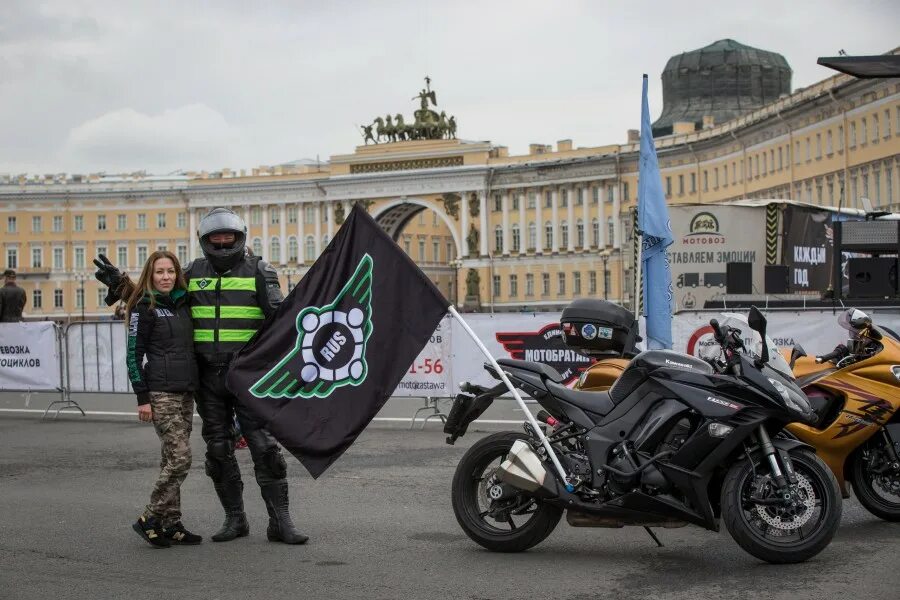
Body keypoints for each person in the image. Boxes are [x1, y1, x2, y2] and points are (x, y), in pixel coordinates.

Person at [95, 207, 307, 544]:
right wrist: (123, 286)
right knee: (218, 450)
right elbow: (157, 299)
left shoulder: (261, 271)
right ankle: (235, 520)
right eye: (215, 239)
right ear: (204, 241)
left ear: (241, 238)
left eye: (229, 238)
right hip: (208, 377)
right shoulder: (191, 273)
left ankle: (281, 522)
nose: (223, 243)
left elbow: (281, 323)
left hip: (249, 377)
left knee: (265, 448)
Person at [126, 250, 202, 548]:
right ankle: (150, 517)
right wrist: (142, 397)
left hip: (185, 392)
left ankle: (171, 524)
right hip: (160, 392)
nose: (166, 277)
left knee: (170, 459)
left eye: (170, 271)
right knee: (182, 458)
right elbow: (133, 356)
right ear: (150, 275)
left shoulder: (184, 304)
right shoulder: (143, 307)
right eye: (160, 272)